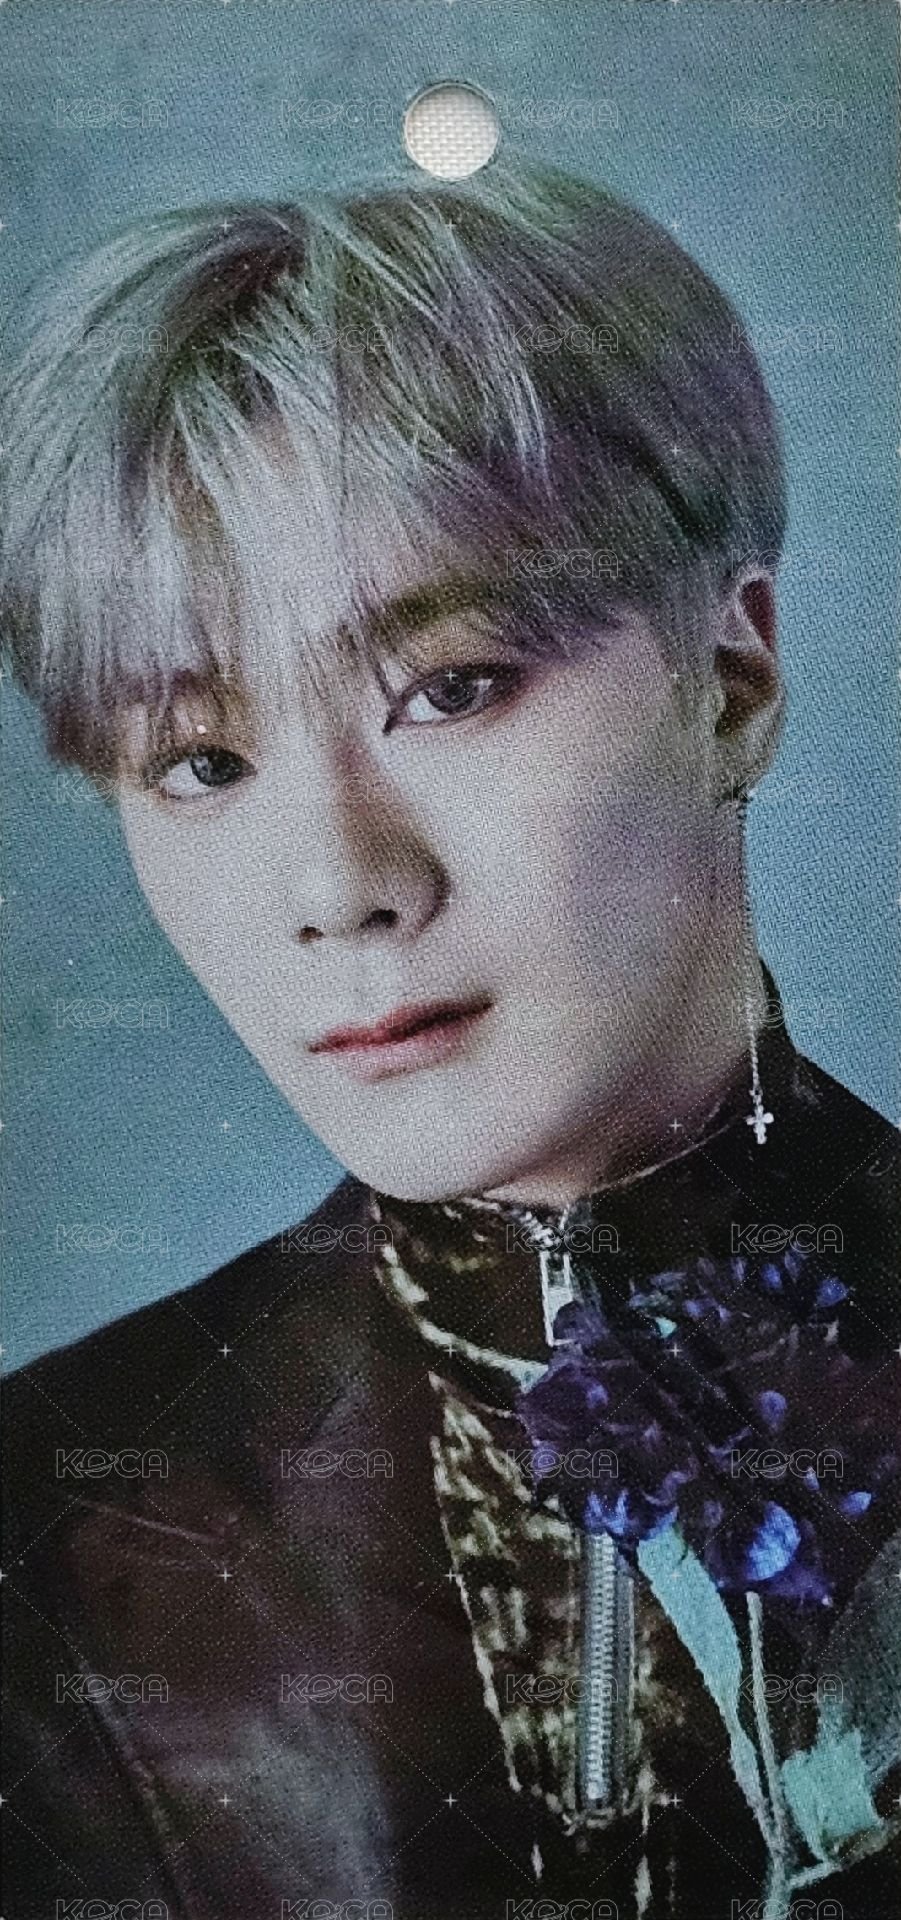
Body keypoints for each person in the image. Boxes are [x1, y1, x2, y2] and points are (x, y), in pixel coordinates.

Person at [1, 158, 898, 1920]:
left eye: (452, 687)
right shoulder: (35, 1520)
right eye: (201, 760)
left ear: (729, 683)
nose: (337, 885)